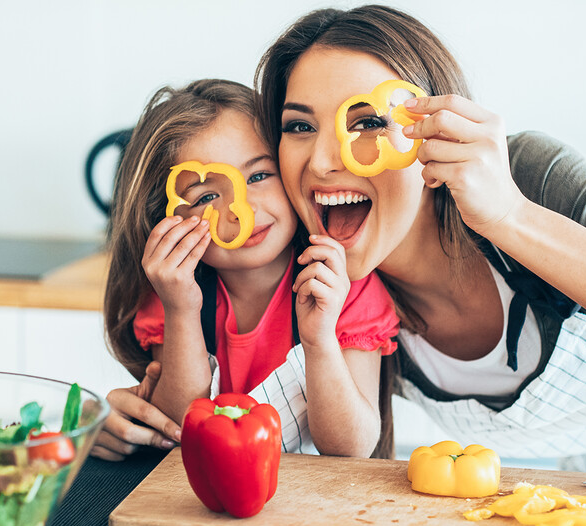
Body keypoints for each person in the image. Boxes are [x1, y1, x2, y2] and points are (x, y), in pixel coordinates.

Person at [98, 7, 586, 492]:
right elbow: (243, 422)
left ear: (433, 130)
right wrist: (135, 422)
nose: (323, 161)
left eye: (367, 122)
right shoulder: (329, 290)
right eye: (295, 126)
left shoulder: (525, 179)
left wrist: (506, 213)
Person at [94, 79, 399, 461]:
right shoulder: (172, 294)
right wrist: (182, 308)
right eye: (207, 196)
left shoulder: (343, 286)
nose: (243, 209)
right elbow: (174, 427)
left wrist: (319, 339)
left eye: (258, 176)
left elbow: (350, 447)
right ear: (167, 218)